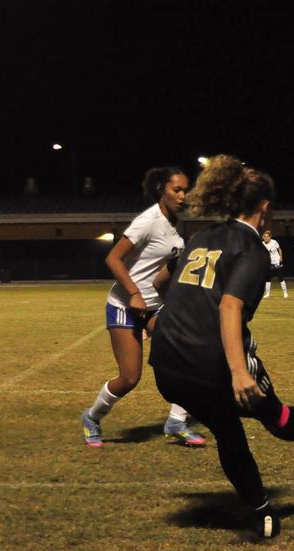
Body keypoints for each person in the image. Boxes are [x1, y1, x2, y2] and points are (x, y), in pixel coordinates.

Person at [150, 155, 294, 539]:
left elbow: (162, 280)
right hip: (209, 363)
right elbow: (229, 305)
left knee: (228, 427)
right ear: (265, 207)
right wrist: (239, 373)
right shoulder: (253, 249)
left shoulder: (201, 236)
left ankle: (263, 511)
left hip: (166, 366)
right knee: (268, 413)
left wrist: (172, 318)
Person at [80, 166, 207, 448]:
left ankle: (176, 421)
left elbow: (164, 271)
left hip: (155, 307)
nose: (183, 196)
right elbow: (113, 259)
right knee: (129, 378)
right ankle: (91, 417)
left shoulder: (175, 225)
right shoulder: (147, 221)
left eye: (186, 190)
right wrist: (135, 294)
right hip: (125, 305)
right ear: (162, 189)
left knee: (187, 356)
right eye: (177, 190)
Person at [261, 230, 287, 298]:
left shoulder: (274, 242)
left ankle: (285, 293)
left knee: (280, 277)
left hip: (276, 261)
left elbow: (279, 249)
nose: (266, 238)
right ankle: (267, 294)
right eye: (265, 236)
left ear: (270, 237)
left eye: (267, 236)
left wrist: (281, 257)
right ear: (263, 237)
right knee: (267, 278)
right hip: (268, 263)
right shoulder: (262, 244)